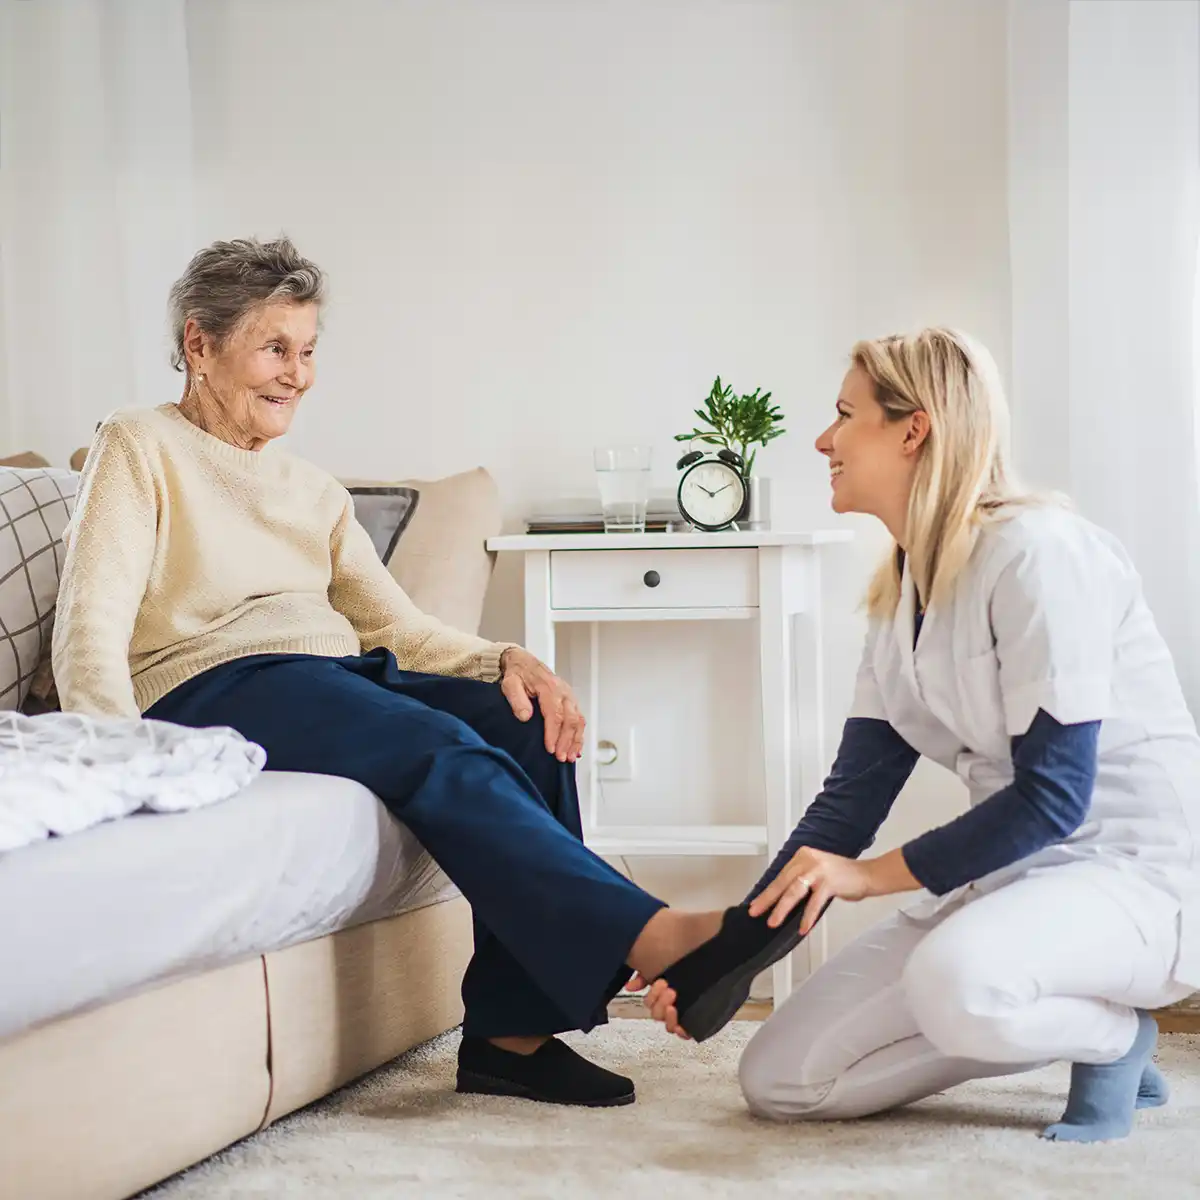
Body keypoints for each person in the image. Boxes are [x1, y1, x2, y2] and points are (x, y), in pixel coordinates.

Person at [51, 235, 770, 1109]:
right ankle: (653, 934)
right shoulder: (139, 443)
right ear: (200, 346)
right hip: (213, 683)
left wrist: (507, 660)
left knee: (521, 722)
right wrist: (122, 761)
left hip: (328, 675)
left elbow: (394, 625)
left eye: (308, 351)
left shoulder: (311, 491)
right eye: (275, 348)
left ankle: (511, 1036)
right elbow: (91, 620)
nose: (298, 375)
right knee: (432, 744)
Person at [640, 327, 1200, 1142]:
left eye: (844, 415)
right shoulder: (900, 592)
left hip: (1124, 882)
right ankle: (1038, 1006)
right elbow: (845, 810)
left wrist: (871, 879)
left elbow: (1054, 796)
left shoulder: (1040, 555)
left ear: (914, 427)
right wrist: (725, 963)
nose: (823, 440)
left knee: (960, 984)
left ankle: (1114, 1037)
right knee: (781, 1081)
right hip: (1006, 889)